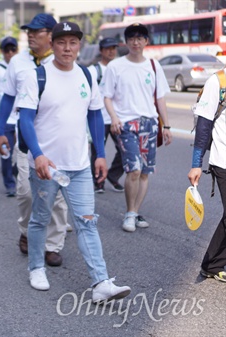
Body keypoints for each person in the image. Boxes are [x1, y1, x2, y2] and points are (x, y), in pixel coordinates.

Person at [16, 22, 131, 302]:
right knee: (40, 219)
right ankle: (36, 267)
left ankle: (101, 283)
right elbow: (25, 120)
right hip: (46, 168)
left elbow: (94, 115)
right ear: (52, 44)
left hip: (79, 166)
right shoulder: (38, 76)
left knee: (87, 222)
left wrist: (100, 154)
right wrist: (38, 155)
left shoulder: (87, 74)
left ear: (79, 45)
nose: (67, 48)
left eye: (73, 43)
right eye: (62, 42)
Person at [0, 13, 69, 266]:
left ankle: (52, 244)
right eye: (28, 31)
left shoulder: (62, 62)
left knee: (57, 197)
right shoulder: (18, 61)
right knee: (26, 193)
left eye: (36, 31)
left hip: (56, 141)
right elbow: (7, 97)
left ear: (50, 35)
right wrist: (0, 130)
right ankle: (26, 232)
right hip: (27, 139)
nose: (30, 35)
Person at [103, 23, 172, 232]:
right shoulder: (115, 66)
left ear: (146, 41)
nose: (136, 42)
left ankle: (133, 211)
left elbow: (159, 98)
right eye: (131, 38)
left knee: (144, 173)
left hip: (149, 124)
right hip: (126, 125)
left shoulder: (153, 65)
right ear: (126, 42)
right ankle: (131, 213)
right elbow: (106, 97)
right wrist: (114, 118)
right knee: (133, 169)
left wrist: (166, 125)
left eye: (140, 38)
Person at [188, 67, 226, 281]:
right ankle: (213, 263)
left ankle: (213, 263)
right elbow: (204, 126)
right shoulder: (218, 81)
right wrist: (196, 164)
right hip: (223, 159)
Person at [87, 38, 124, 193]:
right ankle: (98, 181)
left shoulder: (120, 68)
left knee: (125, 149)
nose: (111, 51)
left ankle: (113, 176)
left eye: (114, 48)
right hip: (99, 117)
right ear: (101, 50)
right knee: (97, 151)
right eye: (108, 48)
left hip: (116, 117)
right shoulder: (93, 70)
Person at [0, 36, 18, 197]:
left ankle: (16, 171)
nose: (10, 53)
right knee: (6, 151)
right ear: (2, 51)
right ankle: (9, 184)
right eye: (6, 50)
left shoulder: (22, 66)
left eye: (12, 49)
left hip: (21, 116)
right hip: (6, 117)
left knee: (23, 151)